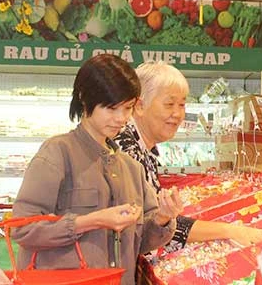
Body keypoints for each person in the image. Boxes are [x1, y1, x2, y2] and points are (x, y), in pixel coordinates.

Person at [12, 54, 184, 284]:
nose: (121, 118)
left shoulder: (131, 168)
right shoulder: (57, 153)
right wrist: (91, 221)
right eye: (111, 108)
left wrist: (163, 217)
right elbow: (22, 228)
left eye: (127, 108)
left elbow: (139, 243)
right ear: (85, 99)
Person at [115, 61, 262, 250]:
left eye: (182, 104)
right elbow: (146, 228)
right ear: (140, 106)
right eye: (169, 104)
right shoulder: (126, 150)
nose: (178, 113)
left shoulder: (143, 148)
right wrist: (229, 231)